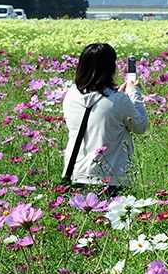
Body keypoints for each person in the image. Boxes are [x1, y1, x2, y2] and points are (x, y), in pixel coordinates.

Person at [61, 43, 149, 197]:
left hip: (76, 175)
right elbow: (140, 126)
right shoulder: (119, 101)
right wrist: (134, 93)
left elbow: (100, 107)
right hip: (110, 181)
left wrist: (117, 96)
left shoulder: (71, 95)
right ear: (111, 68)